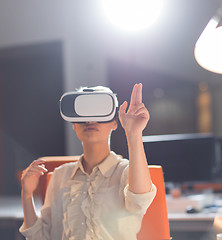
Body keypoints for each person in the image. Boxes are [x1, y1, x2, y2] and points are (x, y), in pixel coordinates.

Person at [19, 83, 157, 240]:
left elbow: (139, 200)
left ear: (114, 122)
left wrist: (134, 133)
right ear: (74, 124)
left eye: (99, 112)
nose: (91, 120)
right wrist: (27, 194)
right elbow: (42, 238)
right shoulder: (60, 175)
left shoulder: (126, 172)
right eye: (84, 113)